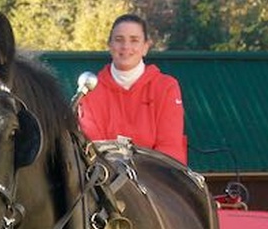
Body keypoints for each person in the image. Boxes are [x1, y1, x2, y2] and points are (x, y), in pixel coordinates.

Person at [78, 13, 187, 164]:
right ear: (110, 45)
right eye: (119, 40)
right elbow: (92, 149)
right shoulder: (90, 90)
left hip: (157, 174)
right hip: (106, 175)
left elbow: (170, 147)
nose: (126, 46)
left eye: (134, 40)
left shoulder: (166, 87)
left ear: (145, 47)